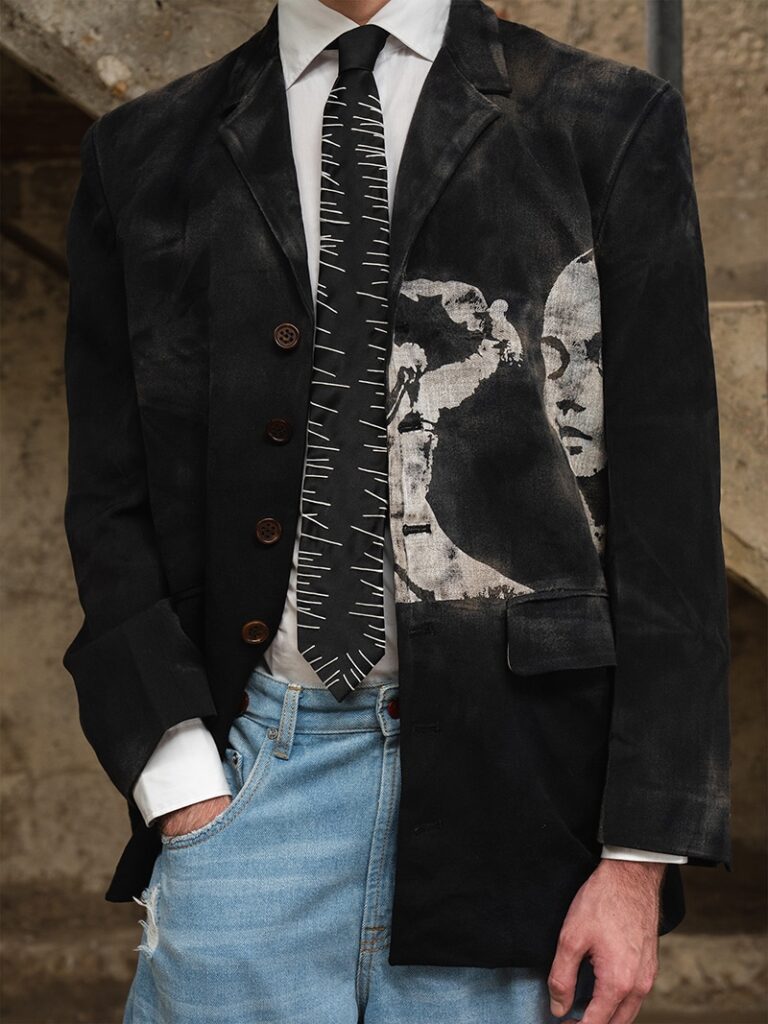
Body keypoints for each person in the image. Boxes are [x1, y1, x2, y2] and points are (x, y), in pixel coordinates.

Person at [61, 0, 731, 1021]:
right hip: (250, 788)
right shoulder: (142, 151)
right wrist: (182, 786)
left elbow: (669, 512)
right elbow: (110, 499)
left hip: (521, 800)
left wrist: (638, 855)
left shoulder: (605, 121)